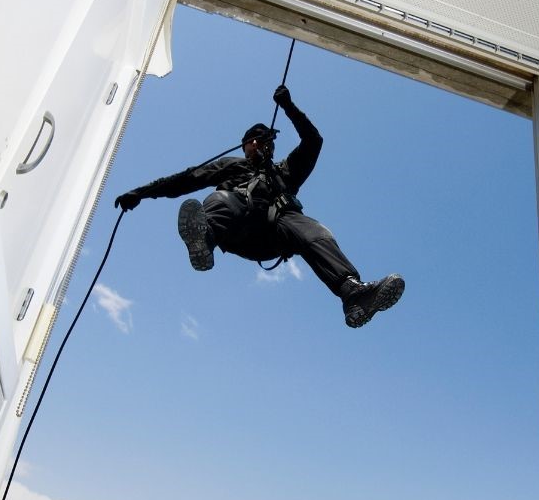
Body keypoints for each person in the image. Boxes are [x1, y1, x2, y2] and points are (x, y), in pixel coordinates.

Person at [114, 85, 404, 328]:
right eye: (251, 140)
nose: (257, 143)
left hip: (271, 239)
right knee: (226, 199)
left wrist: (289, 106)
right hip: (236, 229)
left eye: (262, 139)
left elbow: (313, 141)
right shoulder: (231, 166)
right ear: (245, 145)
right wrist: (141, 193)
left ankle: (353, 294)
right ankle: (204, 240)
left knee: (312, 229)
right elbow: (187, 179)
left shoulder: (285, 172)